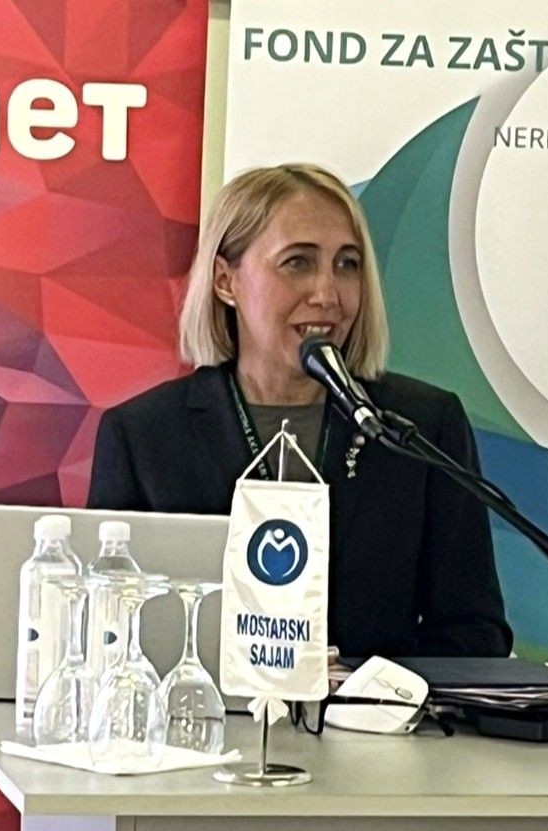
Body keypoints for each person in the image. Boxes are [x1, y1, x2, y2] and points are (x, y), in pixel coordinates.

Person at [88, 163, 511, 658]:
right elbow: (106, 635)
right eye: (298, 263)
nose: (327, 295)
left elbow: (474, 635)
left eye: (347, 265)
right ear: (226, 281)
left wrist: (367, 685)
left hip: (372, 710)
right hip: (202, 707)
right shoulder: (144, 437)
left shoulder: (422, 427)